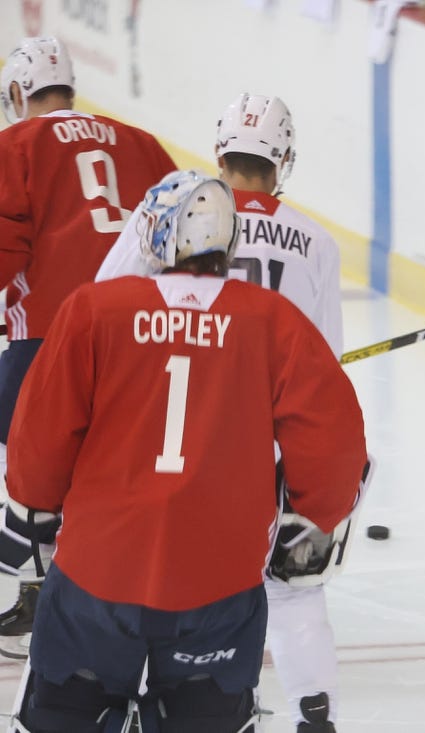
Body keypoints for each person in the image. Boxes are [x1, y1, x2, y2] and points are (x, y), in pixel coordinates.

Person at [4, 169, 368, 732]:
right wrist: (311, 514)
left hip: (97, 574)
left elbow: (41, 433)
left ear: (159, 235)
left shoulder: (96, 308)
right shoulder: (274, 321)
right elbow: (335, 439)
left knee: (64, 719)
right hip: (219, 583)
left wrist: (37, 507)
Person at [97, 93, 348, 733]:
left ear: (219, 151)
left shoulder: (174, 212)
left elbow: (103, 305)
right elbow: (326, 373)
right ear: (284, 159)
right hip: (265, 453)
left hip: (175, 440)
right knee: (293, 591)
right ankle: (313, 717)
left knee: (165, 587)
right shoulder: (316, 243)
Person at [0, 36, 176, 658]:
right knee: (111, 466)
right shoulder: (142, 144)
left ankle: (41, 593)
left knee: (29, 462)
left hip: (49, 332)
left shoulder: (14, 144)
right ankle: (118, 594)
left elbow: (4, 244)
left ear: (20, 95)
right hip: (142, 338)